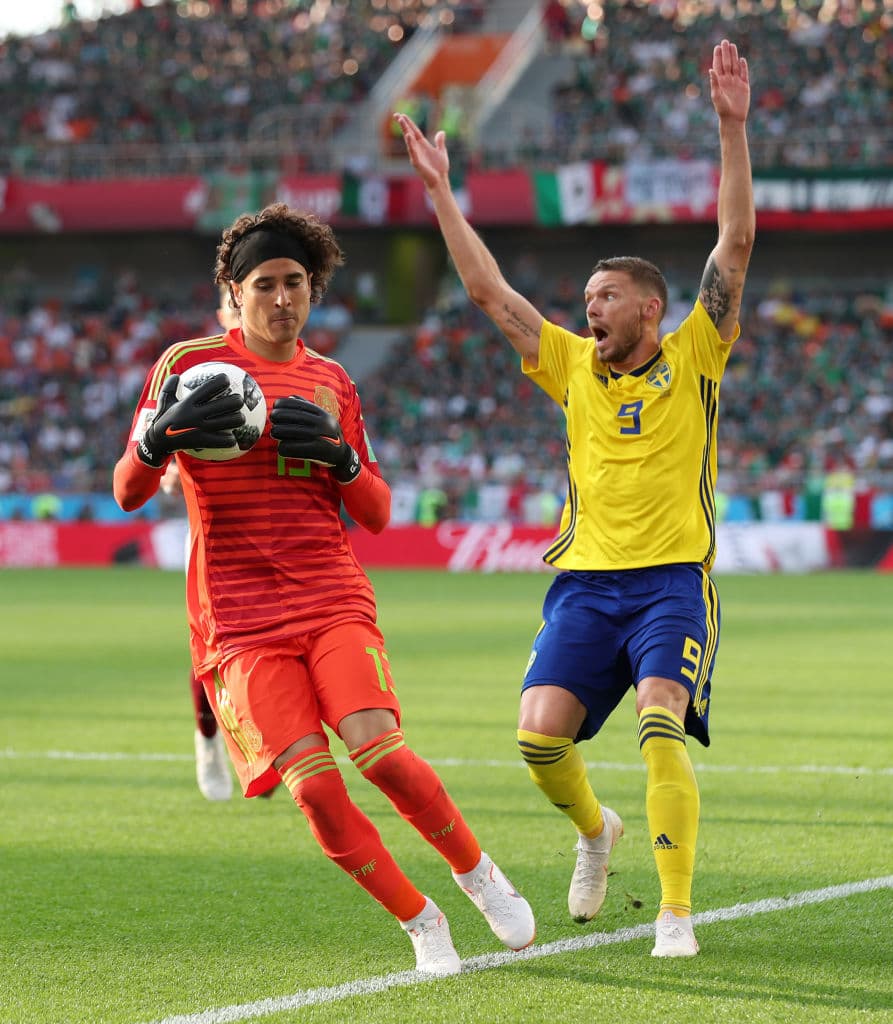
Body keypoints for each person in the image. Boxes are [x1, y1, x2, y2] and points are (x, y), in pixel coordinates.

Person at [395, 38, 754, 958]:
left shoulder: (696, 352)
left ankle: (674, 913)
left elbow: (733, 245)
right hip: (585, 585)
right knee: (537, 740)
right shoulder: (568, 365)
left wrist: (730, 126)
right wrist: (439, 192)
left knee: (660, 725)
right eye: (586, 296)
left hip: (671, 581)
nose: (588, 307)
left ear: (648, 309)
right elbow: (486, 291)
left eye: (605, 296)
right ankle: (596, 833)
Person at [113, 202, 536, 974]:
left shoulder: (331, 380)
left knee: (381, 753)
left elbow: (375, 512)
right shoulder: (187, 365)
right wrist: (156, 439)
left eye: (295, 283)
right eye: (265, 284)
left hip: (330, 595)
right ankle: (421, 923)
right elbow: (127, 492)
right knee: (313, 791)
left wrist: (342, 459)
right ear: (233, 291)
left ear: (313, 288)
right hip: (240, 619)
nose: (282, 299)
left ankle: (477, 873)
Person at [159, 284, 243, 801]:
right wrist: (171, 472)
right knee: (210, 648)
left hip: (283, 535)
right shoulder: (197, 371)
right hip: (214, 535)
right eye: (235, 304)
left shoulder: (292, 368)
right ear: (221, 311)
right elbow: (164, 456)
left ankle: (259, 744)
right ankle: (208, 736)